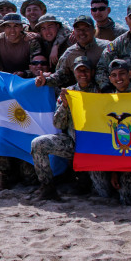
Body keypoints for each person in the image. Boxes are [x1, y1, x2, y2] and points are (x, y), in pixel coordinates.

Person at [31, 58, 96, 201]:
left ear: (92, 72)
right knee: (38, 143)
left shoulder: (101, 91)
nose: (83, 74)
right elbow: (58, 124)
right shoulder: (68, 92)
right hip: (73, 143)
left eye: (86, 70)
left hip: (96, 148)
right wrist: (65, 107)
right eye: (79, 70)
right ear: (74, 73)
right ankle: (47, 187)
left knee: (102, 191)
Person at [90, 60, 131, 205]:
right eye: (114, 75)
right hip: (116, 151)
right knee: (103, 191)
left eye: (122, 74)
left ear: (130, 74)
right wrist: (114, 170)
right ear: (109, 79)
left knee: (129, 200)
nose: (118, 78)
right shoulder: (108, 100)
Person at [53, 15, 106, 87]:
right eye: (78, 30)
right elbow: (60, 76)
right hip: (81, 94)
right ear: (73, 33)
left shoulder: (106, 48)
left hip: (106, 93)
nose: (82, 32)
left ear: (94, 31)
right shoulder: (69, 54)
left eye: (86, 29)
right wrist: (46, 80)